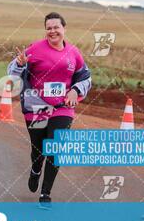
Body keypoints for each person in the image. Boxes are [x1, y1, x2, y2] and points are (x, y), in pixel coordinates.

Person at [7, 12, 91, 208]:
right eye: (49, 28)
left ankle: (46, 193)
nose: (52, 31)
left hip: (62, 108)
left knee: (55, 148)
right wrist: (19, 64)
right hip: (37, 105)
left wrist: (75, 90)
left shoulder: (73, 52)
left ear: (64, 29)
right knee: (38, 149)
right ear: (46, 30)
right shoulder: (35, 49)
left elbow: (86, 77)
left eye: (56, 27)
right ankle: (36, 169)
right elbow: (11, 72)